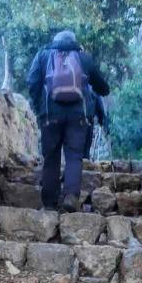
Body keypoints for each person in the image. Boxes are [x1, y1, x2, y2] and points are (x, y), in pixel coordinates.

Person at [27, 30, 110, 212]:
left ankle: (49, 202)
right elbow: (103, 87)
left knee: (51, 157)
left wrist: (39, 105)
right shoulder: (83, 58)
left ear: (54, 41)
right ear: (74, 42)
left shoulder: (43, 56)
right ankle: (71, 197)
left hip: (50, 115)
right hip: (78, 117)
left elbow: (32, 82)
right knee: (74, 156)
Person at [84, 89, 108, 159]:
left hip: (72, 124)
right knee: (85, 152)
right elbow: (100, 109)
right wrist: (102, 122)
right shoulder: (93, 89)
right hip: (87, 123)